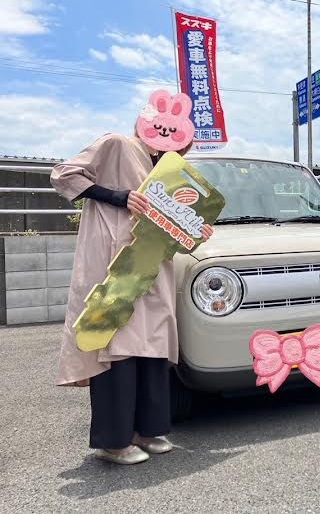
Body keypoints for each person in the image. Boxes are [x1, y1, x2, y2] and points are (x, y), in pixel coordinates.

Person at [51, 89, 214, 465]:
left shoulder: (169, 172)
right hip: (113, 263)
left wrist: (196, 231)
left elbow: (176, 228)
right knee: (118, 346)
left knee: (152, 346)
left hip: (152, 267)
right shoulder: (117, 143)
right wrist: (118, 196)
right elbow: (63, 174)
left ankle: (147, 430)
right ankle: (113, 441)